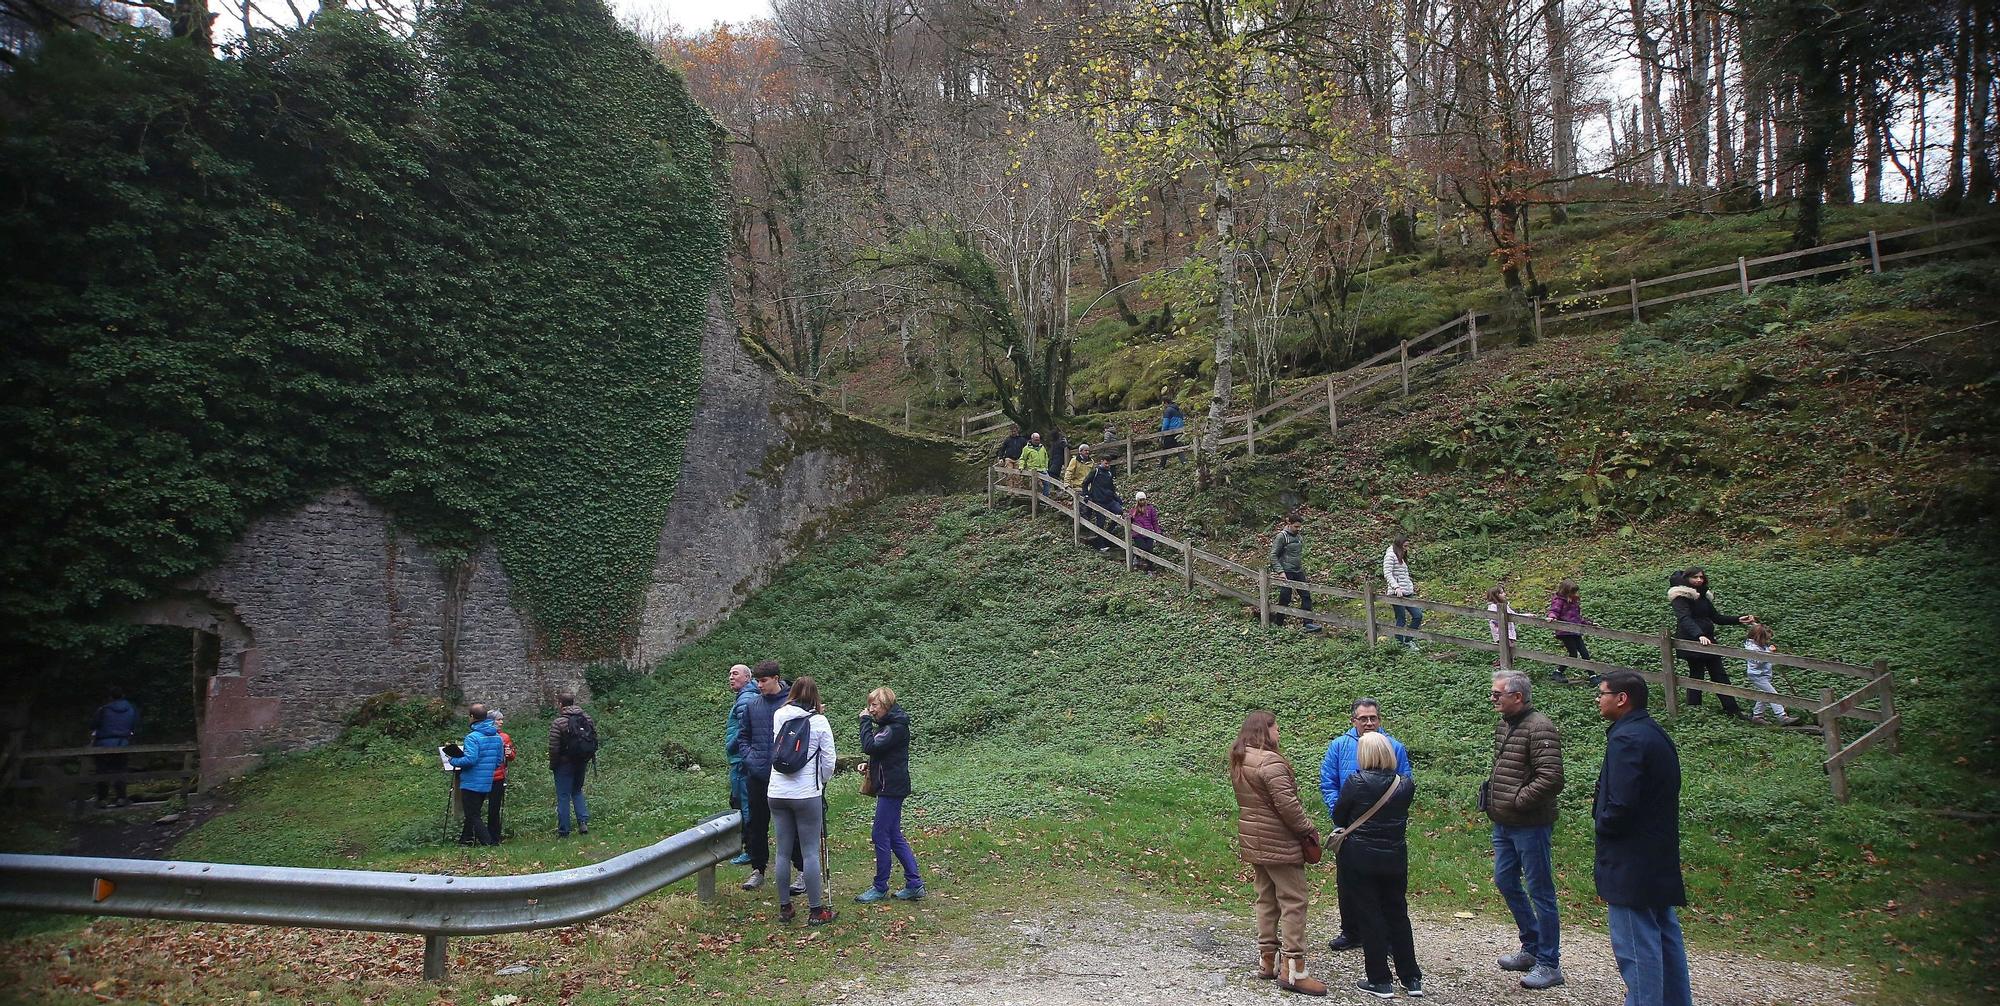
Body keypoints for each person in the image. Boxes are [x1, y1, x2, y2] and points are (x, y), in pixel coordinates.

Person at [1593, 671, 1692, 1006]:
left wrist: (1604, 826)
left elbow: (1621, 802)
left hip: (1631, 860)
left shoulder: (1628, 739)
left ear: (1622, 699)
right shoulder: (1654, 733)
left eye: (1602, 692)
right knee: (1664, 936)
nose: (1598, 698)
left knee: (1637, 945)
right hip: (1656, 854)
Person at [1228, 710, 1327, 996]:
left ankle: (1267, 961)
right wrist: (1309, 830)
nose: (1279, 733)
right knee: (1294, 900)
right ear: (1264, 731)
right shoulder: (1270, 762)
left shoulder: (1240, 757)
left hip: (1254, 839)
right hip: (1279, 842)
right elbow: (1289, 807)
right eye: (1276, 728)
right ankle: (1294, 969)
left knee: (1266, 898)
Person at [1486, 672, 1567, 991]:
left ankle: (1549, 962)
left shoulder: (1540, 727)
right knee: (1505, 880)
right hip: (1503, 823)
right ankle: (1531, 946)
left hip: (1530, 825)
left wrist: (1519, 800)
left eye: (1497, 695)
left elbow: (1551, 777)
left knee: (1541, 891)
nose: (1493, 700)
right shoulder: (1505, 723)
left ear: (1517, 696)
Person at [1332, 732, 1422, 999]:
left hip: (1360, 857)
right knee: (1398, 914)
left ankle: (1380, 980)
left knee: (1370, 916)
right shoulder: (1405, 784)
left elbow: (1340, 815)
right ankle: (1412, 977)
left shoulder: (1356, 782)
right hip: (1394, 856)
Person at [1319, 699, 1412, 953]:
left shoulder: (1394, 747)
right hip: (1351, 828)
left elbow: (1405, 783)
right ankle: (1351, 931)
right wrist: (1340, 814)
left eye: (1373, 718)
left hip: (1384, 828)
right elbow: (1329, 783)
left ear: (1379, 719)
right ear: (1354, 721)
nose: (1369, 722)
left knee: (1387, 889)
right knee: (1348, 884)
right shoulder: (1339, 746)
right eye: (1363, 718)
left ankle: (1390, 938)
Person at [731, 661, 806, 890]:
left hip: (785, 775)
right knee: (756, 823)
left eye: (764, 681)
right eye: (757, 681)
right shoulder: (753, 705)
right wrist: (750, 758)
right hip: (758, 773)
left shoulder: (791, 704)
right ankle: (758, 868)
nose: (760, 685)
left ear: (776, 678)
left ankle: (802, 871)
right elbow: (742, 736)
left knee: (791, 825)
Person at [770, 675, 838, 925]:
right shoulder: (819, 721)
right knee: (809, 852)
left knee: (782, 851)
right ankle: (816, 910)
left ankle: (785, 908)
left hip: (776, 791)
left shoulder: (779, 715)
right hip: (806, 793)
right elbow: (829, 760)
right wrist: (821, 781)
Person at [856, 686, 925, 903]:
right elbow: (882, 753)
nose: (870, 710)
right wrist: (870, 767)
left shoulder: (895, 728)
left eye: (874, 705)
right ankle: (914, 884)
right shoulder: (888, 725)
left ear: (886, 705)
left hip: (892, 788)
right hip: (890, 785)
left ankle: (880, 886)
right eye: (869, 705)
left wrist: (864, 722)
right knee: (894, 835)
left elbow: (870, 746)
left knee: (880, 834)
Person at [1669, 567, 1757, 717]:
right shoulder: (1680, 597)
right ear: (1686, 578)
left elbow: (1715, 617)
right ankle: (1694, 710)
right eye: (1695, 577)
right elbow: (1684, 619)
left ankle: (1732, 710)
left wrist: (1737, 619)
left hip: (1708, 640)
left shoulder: (1703, 596)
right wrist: (1699, 635)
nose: (1699, 580)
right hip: (1693, 641)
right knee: (1696, 675)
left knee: (1720, 675)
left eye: (1701, 577)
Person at [449, 704, 502, 846]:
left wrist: (453, 760)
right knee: (473, 811)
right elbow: (498, 761)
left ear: (472, 717)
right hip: (487, 781)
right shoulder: (497, 737)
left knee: (473, 815)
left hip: (471, 781)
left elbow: (470, 759)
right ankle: (465, 840)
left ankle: (488, 842)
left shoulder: (472, 737)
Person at [548, 691, 596, 838]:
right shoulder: (586, 718)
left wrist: (554, 764)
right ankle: (583, 822)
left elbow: (554, 747)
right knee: (577, 791)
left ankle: (564, 830)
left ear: (560, 704)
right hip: (581, 761)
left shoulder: (559, 722)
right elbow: (593, 737)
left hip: (564, 764)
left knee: (563, 796)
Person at [725, 663, 759, 864]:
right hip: (743, 759)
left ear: (747, 677)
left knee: (745, 804)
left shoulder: (746, 698)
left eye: (735, 674)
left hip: (741, 760)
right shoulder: (747, 695)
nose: (731, 677)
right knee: (742, 802)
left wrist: (731, 746)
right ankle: (749, 847)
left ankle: (751, 850)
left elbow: (746, 728)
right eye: (729, 674)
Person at [88, 688, 139, 807]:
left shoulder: (103, 710)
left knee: (102, 771)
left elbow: (93, 725)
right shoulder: (131, 709)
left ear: (110, 697)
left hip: (103, 744)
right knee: (120, 770)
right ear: (123, 696)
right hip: (122, 744)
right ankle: (121, 798)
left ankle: (102, 799)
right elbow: (135, 725)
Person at [1744, 624, 1799, 726]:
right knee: (1773, 695)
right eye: (1766, 639)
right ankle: (1782, 716)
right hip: (1757, 676)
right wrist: (1769, 652)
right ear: (1759, 638)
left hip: (1764, 674)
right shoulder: (1752, 648)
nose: (1767, 642)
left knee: (1765, 694)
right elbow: (1757, 661)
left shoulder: (1760, 645)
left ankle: (1757, 716)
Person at [1270, 515, 1319, 631]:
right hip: (1286, 571)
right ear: (1289, 524)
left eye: (1299, 527)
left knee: (1306, 595)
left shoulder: (1298, 537)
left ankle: (1308, 623)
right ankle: (1278, 623)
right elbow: (1273, 555)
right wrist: (1280, 571)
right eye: (1296, 526)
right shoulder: (1282, 537)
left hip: (1298, 571)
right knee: (1285, 597)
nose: (1298, 529)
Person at [1547, 581, 1592, 683]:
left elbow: (1577, 618)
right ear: (1566, 592)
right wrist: (1552, 617)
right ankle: (1558, 672)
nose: (1576, 594)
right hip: (1565, 632)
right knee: (1573, 653)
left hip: (1575, 631)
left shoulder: (1574, 603)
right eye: (1573, 592)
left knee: (1584, 653)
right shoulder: (1559, 601)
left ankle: (1592, 675)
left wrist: (1589, 624)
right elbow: (1554, 611)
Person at [1382, 537, 1421, 648]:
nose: (1406, 549)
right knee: (1401, 619)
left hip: (1407, 592)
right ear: (1399, 545)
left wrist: (1409, 587)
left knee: (1417, 615)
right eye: (1405, 546)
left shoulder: (1401, 557)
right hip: (1397, 593)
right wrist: (1396, 587)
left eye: (1407, 546)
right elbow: (1388, 574)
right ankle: (1399, 644)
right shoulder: (1390, 556)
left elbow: (1403, 575)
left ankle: (1408, 640)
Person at [487, 709, 517, 844]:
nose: (501, 722)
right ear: (491, 721)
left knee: (495, 808)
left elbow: (511, 756)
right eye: (498, 719)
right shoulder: (482, 735)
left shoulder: (505, 737)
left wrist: (509, 753)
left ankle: (495, 837)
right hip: (485, 776)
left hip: (498, 775)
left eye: (501, 719)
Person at [1081, 456, 1122, 551]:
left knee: (1119, 512)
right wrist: (1086, 494)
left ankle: (1108, 533)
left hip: (1110, 500)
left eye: (1109, 463)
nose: (1107, 465)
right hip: (1099, 501)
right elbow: (1085, 483)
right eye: (1106, 463)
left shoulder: (1109, 473)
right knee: (1100, 523)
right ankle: (1100, 544)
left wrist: (1117, 498)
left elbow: (1111, 488)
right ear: (1101, 461)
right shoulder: (1095, 472)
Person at [1129, 493, 1161, 574]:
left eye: (1143, 499)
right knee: (1143, 547)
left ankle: (1150, 569)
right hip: (1137, 534)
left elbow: (1154, 522)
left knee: (1149, 550)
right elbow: (1129, 521)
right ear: (1137, 501)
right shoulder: (1134, 510)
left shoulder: (1150, 509)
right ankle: (1137, 557)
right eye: (1140, 500)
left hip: (1148, 532)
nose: (1142, 501)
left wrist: (1158, 533)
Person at [1159, 399, 1186, 466]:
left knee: (1165, 449)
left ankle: (1161, 466)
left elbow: (1165, 424)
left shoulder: (1168, 410)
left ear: (1166, 403)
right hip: (1179, 432)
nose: (1164, 406)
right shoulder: (1179, 410)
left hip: (1170, 433)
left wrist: (1162, 434)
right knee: (1179, 449)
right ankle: (1185, 463)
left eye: (1164, 404)